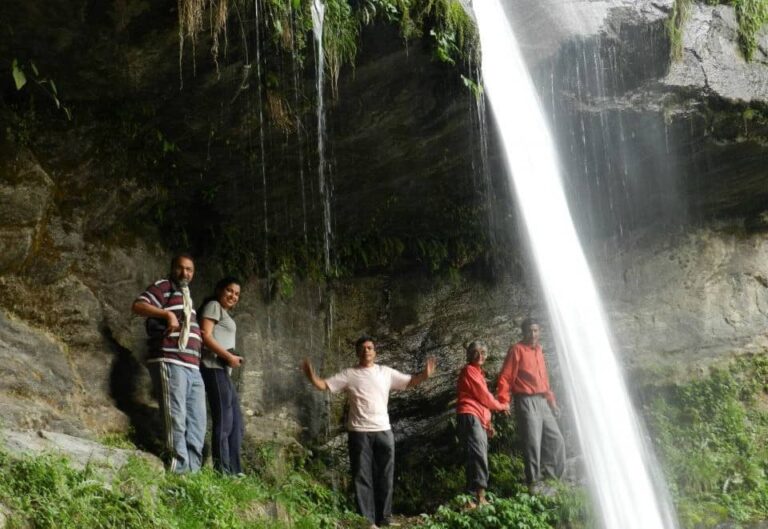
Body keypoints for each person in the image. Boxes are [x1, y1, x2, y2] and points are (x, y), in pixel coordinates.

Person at [301, 336, 436, 529]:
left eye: (370, 348)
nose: (367, 351)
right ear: (357, 353)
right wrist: (311, 376)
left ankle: (384, 518)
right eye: (363, 348)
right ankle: (368, 521)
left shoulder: (385, 372)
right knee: (362, 476)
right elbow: (325, 385)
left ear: (375, 352)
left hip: (383, 430)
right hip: (359, 431)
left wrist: (425, 375)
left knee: (385, 475)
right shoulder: (349, 374)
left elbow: (409, 382)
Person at [132, 253, 206, 474]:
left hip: (193, 366)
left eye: (189, 270)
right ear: (173, 268)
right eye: (181, 268)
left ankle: (193, 473)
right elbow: (138, 305)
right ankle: (178, 471)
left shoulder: (187, 297)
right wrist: (166, 314)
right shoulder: (164, 286)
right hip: (170, 359)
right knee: (176, 417)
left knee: (198, 422)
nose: (185, 273)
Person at [496, 318, 565, 492]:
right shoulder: (516, 350)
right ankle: (533, 482)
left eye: (536, 330)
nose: (533, 334)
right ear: (524, 332)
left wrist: (552, 402)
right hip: (526, 400)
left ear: (539, 331)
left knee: (556, 439)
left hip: (542, 399)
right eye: (529, 331)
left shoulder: (539, 350)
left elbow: (544, 379)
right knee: (532, 442)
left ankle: (553, 478)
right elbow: (505, 377)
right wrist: (504, 402)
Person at [199, 276, 245, 475]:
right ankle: (222, 471)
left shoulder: (225, 313)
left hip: (222, 369)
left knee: (236, 423)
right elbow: (205, 335)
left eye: (236, 294)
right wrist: (228, 356)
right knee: (224, 422)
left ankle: (235, 471)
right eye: (229, 291)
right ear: (219, 290)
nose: (233, 296)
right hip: (213, 367)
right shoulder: (213, 306)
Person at [456, 341, 510, 507]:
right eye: (476, 352)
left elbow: (483, 403)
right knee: (478, 454)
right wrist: (502, 406)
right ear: (469, 355)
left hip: (477, 417)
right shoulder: (469, 370)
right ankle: (479, 497)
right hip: (469, 414)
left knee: (477, 454)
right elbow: (484, 396)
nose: (480, 356)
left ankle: (471, 499)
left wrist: (488, 424)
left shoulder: (479, 373)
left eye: (483, 353)